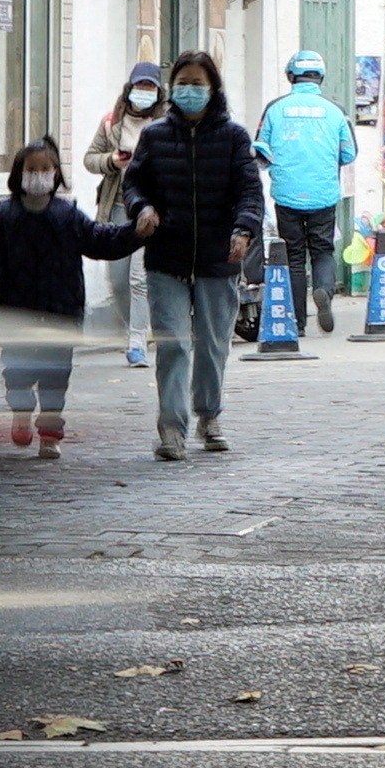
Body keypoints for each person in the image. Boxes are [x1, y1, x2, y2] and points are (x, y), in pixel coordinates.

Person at [118, 49, 264, 460]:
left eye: (198, 84)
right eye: (182, 83)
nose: (189, 91)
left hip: (219, 257)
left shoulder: (233, 137)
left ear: (213, 88)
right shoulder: (155, 136)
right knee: (174, 344)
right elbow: (134, 185)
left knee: (214, 343)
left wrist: (244, 229)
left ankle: (209, 415)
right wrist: (141, 208)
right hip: (167, 255)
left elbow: (250, 191)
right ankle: (171, 428)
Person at [0, 136, 146, 457]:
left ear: (56, 174)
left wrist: (135, 233)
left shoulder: (68, 217)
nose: (38, 175)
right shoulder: (5, 215)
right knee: (17, 372)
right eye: (31, 168)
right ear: (19, 174)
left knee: (55, 376)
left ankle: (50, 434)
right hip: (17, 311)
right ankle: (21, 412)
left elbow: (101, 240)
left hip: (60, 311)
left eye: (45, 169)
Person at [255, 48, 357, 336]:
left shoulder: (275, 109)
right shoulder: (336, 111)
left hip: (287, 193)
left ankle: (297, 323)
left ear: (291, 76)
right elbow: (349, 154)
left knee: (294, 257)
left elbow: (260, 150)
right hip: (323, 193)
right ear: (320, 77)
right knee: (323, 250)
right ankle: (323, 290)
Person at [85, 61, 167, 367]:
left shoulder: (166, 124)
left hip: (150, 209)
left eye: (150, 88)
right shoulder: (111, 123)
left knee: (138, 278)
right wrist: (112, 161)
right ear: (129, 89)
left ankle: (137, 342)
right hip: (118, 206)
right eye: (139, 87)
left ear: (159, 93)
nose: (143, 93)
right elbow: (89, 159)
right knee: (117, 279)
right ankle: (131, 330)